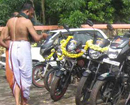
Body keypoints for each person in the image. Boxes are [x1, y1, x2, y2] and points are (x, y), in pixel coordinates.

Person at [0, 3, 47, 105]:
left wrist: (10, 46)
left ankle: (17, 102)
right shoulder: (26, 22)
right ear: (26, 11)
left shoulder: (10, 21)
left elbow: (3, 38)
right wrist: (43, 35)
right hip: (23, 47)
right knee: (25, 77)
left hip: (12, 46)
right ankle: (24, 102)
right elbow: (36, 38)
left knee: (17, 78)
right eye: (31, 14)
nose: (32, 16)